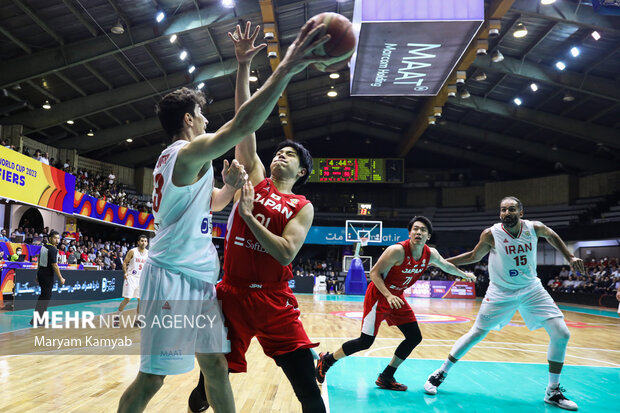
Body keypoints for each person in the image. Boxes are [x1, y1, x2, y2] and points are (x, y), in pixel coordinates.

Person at [118, 19, 345, 413]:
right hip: (175, 277)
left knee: (215, 367)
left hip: (207, 280)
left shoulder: (198, 166)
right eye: (201, 115)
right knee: (153, 378)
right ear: (188, 120)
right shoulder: (184, 154)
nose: (206, 119)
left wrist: (226, 186)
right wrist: (287, 65)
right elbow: (243, 125)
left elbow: (215, 205)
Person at [187, 22, 336, 413]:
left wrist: (251, 219)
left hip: (273, 301)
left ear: (301, 172)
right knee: (208, 384)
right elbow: (244, 120)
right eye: (279, 152)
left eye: (289, 156)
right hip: (231, 293)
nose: (279, 156)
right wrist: (242, 67)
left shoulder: (301, 206)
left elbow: (287, 253)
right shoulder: (254, 176)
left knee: (307, 386)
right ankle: (202, 394)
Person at [423, 196, 584, 411]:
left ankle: (552, 391)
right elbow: (473, 255)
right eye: (503, 210)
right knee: (476, 334)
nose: (506, 213)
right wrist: (442, 262)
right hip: (500, 292)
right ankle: (441, 372)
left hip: (532, 289)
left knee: (562, 333)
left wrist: (570, 257)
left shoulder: (534, 228)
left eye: (511, 209)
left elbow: (552, 235)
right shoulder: (492, 233)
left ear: (521, 212)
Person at [315, 217, 475, 391]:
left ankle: (386, 376)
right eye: (415, 229)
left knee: (414, 337)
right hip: (379, 296)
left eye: (422, 230)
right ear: (410, 233)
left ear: (428, 236)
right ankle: (327, 360)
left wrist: (464, 275)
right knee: (365, 341)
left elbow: (446, 266)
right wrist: (388, 295)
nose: (418, 232)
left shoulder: (431, 254)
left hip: (396, 297)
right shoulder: (397, 251)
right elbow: (374, 273)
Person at [30, 231, 65, 325]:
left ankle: (41, 318)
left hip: (42, 273)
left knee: (44, 296)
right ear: (50, 238)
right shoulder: (52, 249)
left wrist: (37, 275)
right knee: (45, 297)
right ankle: (36, 320)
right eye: (55, 238)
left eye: (58, 238)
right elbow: (54, 265)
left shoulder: (44, 247)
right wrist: (61, 277)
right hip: (47, 275)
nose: (57, 240)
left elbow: (39, 262)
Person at [116, 235, 149, 327]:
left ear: (147, 243)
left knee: (141, 300)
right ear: (138, 242)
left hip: (142, 279)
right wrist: (125, 272)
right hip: (131, 277)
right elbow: (125, 262)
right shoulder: (132, 251)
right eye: (142, 241)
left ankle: (137, 320)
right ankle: (117, 316)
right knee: (127, 299)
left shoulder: (148, 253)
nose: (143, 242)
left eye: (145, 241)